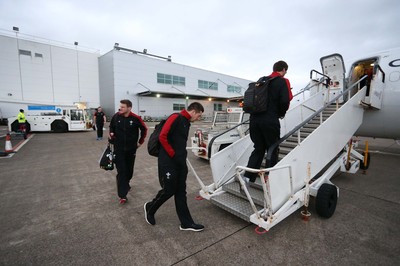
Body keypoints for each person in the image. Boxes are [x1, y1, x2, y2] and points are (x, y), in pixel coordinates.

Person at [144, 102, 205, 232]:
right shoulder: (175, 117)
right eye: (199, 115)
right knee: (169, 189)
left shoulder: (187, 122)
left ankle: (186, 223)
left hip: (180, 162)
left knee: (181, 192)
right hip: (168, 161)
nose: (198, 118)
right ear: (194, 111)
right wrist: (172, 153)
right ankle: (150, 207)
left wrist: (180, 157)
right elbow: (162, 136)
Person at [243, 61, 293, 185]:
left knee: (258, 148)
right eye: (286, 70)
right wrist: (280, 113)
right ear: (284, 69)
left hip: (254, 120)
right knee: (272, 148)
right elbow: (285, 100)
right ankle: (270, 178)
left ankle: (247, 178)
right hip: (270, 120)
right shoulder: (282, 81)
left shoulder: (261, 80)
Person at [109, 99, 148, 204]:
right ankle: (122, 195)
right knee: (121, 171)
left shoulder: (136, 118)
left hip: (131, 150)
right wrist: (111, 134)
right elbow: (111, 127)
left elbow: (144, 129)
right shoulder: (116, 116)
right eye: (120, 106)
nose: (120, 108)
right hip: (118, 149)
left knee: (129, 171)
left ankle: (127, 183)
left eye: (123, 107)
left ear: (129, 108)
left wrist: (140, 142)